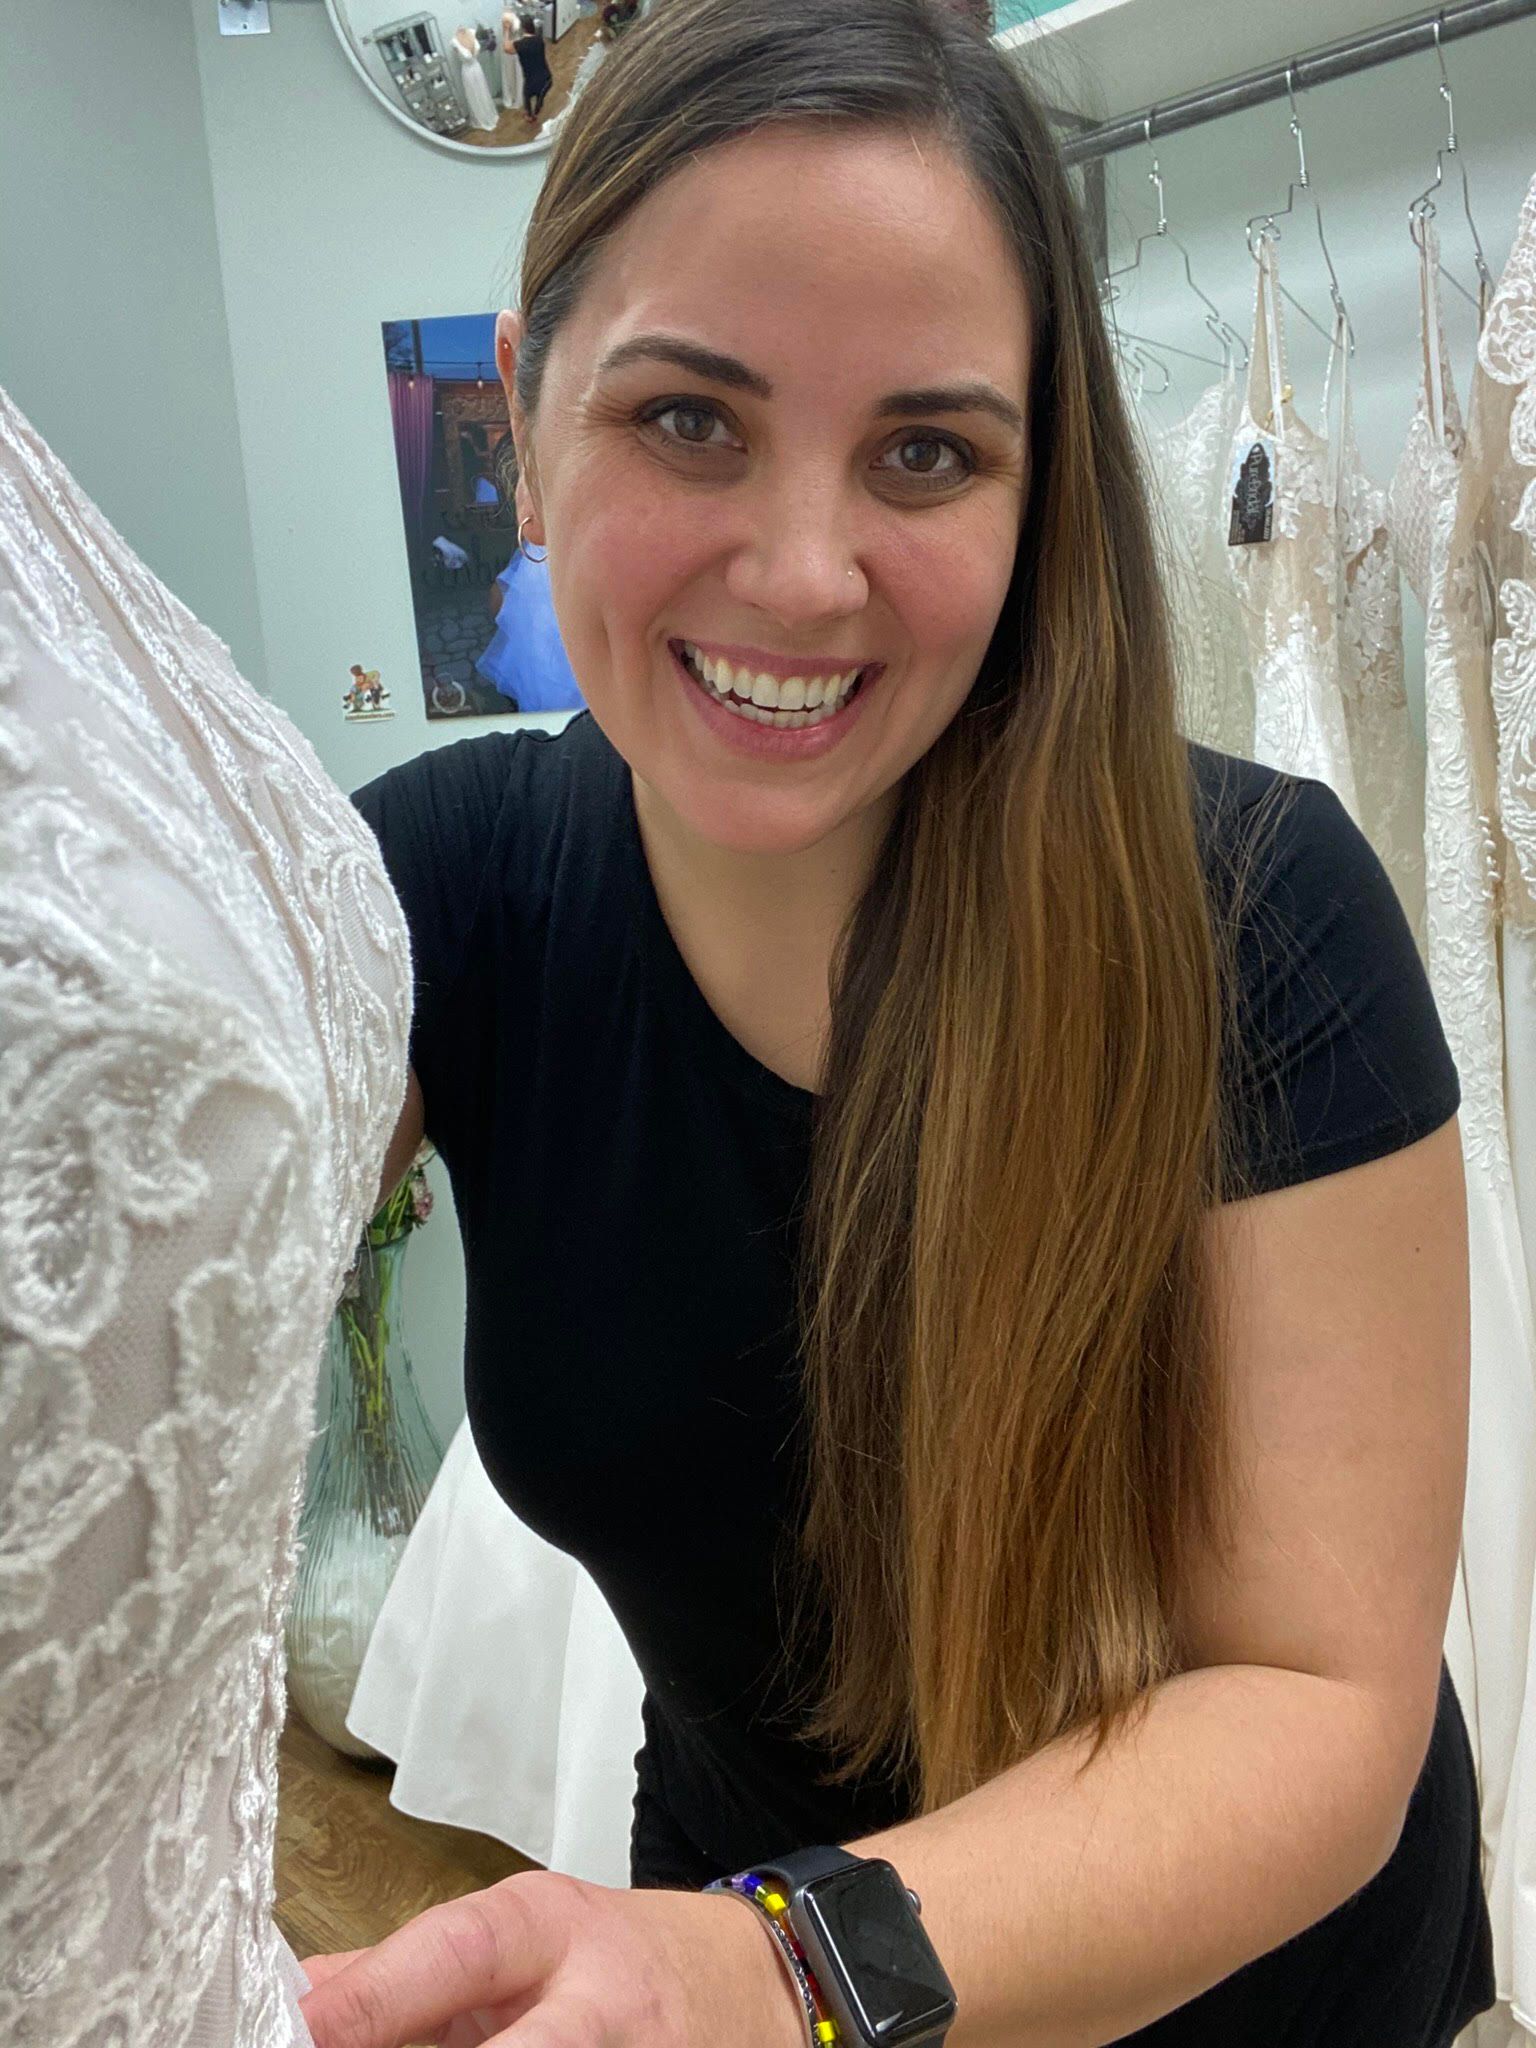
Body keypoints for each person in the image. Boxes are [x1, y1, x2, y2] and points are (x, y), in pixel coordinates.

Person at [301, 0, 1494, 2043]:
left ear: (1040, 495)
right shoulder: (443, 886)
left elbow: (1317, 1698)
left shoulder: (1259, 926)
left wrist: (787, 1966)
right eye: (690, 418)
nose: (803, 568)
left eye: (927, 450)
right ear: (522, 410)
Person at [514, 11, 552, 122]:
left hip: (531, 79)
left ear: (522, 28)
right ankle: (538, 101)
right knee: (536, 91)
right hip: (546, 77)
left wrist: (506, 31)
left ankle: (530, 116)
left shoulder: (519, 44)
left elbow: (507, 48)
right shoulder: (540, 40)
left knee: (526, 95)